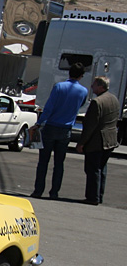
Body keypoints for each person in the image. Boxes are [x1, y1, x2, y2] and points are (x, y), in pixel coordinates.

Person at [31, 62, 89, 199]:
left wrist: (39, 123)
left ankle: (38, 191)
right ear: (81, 76)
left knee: (43, 161)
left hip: (51, 126)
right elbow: (81, 105)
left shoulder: (59, 87)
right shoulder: (83, 91)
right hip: (66, 129)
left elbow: (49, 107)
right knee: (59, 163)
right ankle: (54, 192)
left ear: (69, 73)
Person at [75, 76, 119, 205]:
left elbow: (90, 125)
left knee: (93, 169)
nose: (92, 87)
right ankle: (99, 195)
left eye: (94, 84)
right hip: (110, 140)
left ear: (101, 86)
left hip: (97, 141)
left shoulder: (97, 102)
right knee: (101, 168)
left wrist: (82, 143)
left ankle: (92, 197)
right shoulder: (114, 99)